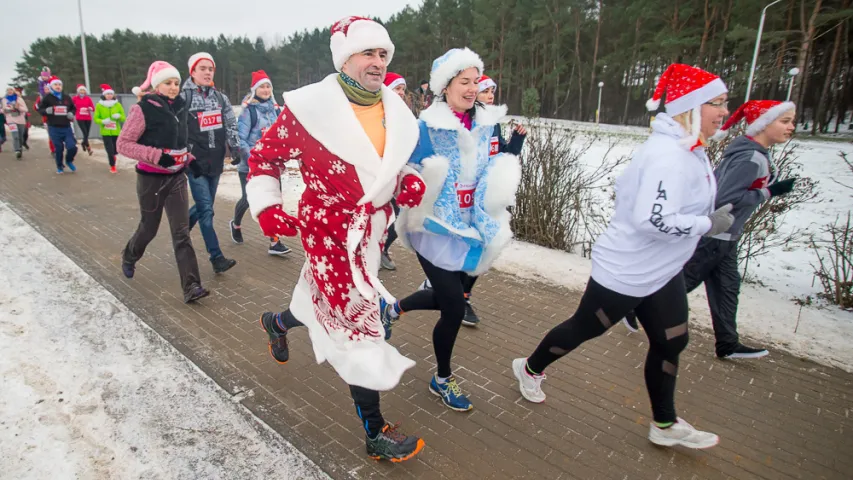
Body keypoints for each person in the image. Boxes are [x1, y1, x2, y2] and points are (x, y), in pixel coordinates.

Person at [513, 64, 733, 450]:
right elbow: (652, 219)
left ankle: (664, 424)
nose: (725, 112)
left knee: (671, 341)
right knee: (585, 328)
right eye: (718, 103)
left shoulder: (688, 149)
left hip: (662, 271)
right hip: (626, 269)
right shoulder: (668, 155)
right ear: (692, 105)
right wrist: (705, 224)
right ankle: (529, 368)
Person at [249, 16, 427, 462]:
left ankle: (276, 323)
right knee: (359, 327)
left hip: (371, 233)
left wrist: (404, 181)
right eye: (368, 53)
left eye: (383, 53)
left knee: (314, 303)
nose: (377, 62)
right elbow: (262, 160)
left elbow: (385, 165)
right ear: (344, 59)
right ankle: (374, 431)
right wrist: (268, 206)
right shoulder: (309, 109)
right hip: (329, 233)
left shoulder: (395, 108)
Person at [381, 48, 522, 411]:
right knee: (454, 308)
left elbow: (495, 161)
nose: (473, 88)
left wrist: (510, 156)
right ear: (446, 86)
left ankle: (393, 310)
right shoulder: (427, 126)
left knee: (450, 299)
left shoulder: (488, 122)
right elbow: (407, 168)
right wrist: (410, 183)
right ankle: (442, 378)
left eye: (476, 81)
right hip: (435, 227)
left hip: (472, 226)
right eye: (465, 81)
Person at [417, 74, 529, 326]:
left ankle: (454, 296)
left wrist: (517, 141)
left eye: (486, 89)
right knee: (451, 296)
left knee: (480, 256)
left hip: (479, 206)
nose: (488, 95)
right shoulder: (436, 123)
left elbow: (500, 157)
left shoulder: (491, 125)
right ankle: (454, 297)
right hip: (448, 213)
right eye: (483, 90)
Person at [118, 61, 209, 304]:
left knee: (181, 234)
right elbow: (124, 144)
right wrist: (158, 156)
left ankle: (192, 286)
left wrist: (189, 159)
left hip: (176, 178)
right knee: (149, 227)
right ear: (157, 85)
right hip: (151, 179)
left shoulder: (180, 107)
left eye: (176, 83)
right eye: (168, 83)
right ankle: (129, 255)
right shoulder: (143, 108)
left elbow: (176, 144)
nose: (173, 87)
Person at [181, 52, 239, 274]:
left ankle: (181, 229)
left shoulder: (220, 98)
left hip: (215, 162)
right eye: (202, 68)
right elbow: (177, 130)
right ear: (192, 72)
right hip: (194, 163)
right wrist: (185, 156)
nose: (207, 72)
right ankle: (216, 257)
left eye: (210, 69)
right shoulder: (183, 97)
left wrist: (235, 148)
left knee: (206, 207)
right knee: (207, 210)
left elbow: (230, 123)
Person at [231, 70, 291, 256]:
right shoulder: (249, 111)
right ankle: (236, 223)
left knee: (272, 201)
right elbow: (241, 139)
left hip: (271, 166)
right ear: (255, 90)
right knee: (249, 199)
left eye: (268, 86)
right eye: (261, 87)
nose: (265, 90)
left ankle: (274, 242)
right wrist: (253, 161)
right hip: (250, 165)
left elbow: (281, 136)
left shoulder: (276, 110)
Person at [379, 72, 407, 270]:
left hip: (398, 174)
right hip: (377, 176)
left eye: (403, 89)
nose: (402, 93)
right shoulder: (375, 113)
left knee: (400, 218)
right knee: (376, 217)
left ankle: (382, 248)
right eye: (397, 88)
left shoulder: (404, 114)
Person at [37, 76, 78, 174]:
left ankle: (69, 160)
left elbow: (73, 108)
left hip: (66, 126)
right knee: (59, 148)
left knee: (72, 147)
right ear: (51, 86)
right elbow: (40, 109)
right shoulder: (47, 97)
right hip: (54, 127)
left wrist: (72, 113)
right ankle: (59, 166)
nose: (58, 86)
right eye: (55, 85)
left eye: (60, 85)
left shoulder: (66, 97)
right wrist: (46, 111)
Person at [93, 84, 126, 173]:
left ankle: (114, 156)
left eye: (110, 94)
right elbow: (96, 118)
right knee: (109, 150)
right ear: (104, 95)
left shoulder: (117, 104)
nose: (109, 96)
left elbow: (123, 117)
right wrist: (103, 121)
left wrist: (118, 116)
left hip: (116, 131)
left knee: (115, 149)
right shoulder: (99, 105)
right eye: (107, 94)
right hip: (106, 131)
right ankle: (112, 166)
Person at [2, 87, 29, 159]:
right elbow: (2, 109)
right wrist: (7, 109)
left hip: (21, 120)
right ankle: (17, 150)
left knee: (20, 137)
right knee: (15, 136)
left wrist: (18, 107)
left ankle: (20, 150)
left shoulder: (19, 99)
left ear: (14, 91)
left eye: (11, 90)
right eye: (8, 90)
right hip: (11, 120)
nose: (9, 91)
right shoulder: (4, 100)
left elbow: (26, 109)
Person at [36, 67, 55, 155]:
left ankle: (58, 147)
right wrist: (43, 110)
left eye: (48, 89)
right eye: (45, 89)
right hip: (46, 118)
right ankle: (53, 150)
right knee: (51, 134)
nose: (46, 90)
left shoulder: (56, 97)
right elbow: (36, 107)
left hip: (57, 117)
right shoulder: (41, 98)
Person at [73, 84, 95, 155]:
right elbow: (70, 107)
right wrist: (75, 109)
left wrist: (90, 108)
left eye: (83, 90)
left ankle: (83, 143)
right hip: (80, 118)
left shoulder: (88, 99)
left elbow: (93, 108)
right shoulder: (75, 98)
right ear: (78, 91)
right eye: (81, 90)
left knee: (86, 134)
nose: (82, 92)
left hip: (88, 118)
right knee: (85, 133)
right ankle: (88, 148)